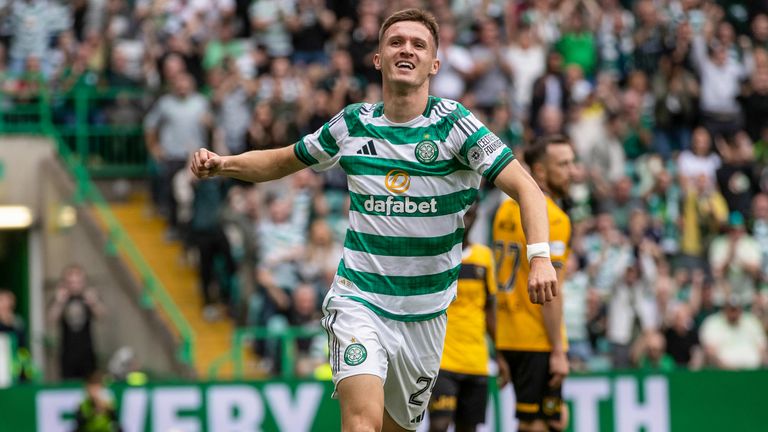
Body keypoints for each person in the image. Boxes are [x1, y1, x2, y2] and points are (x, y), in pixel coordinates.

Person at [191, 8, 558, 432]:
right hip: (359, 299)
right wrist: (224, 163)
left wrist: (540, 257)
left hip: (426, 312)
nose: (407, 49)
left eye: (419, 44)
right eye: (396, 42)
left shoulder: (455, 126)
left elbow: (528, 188)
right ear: (378, 58)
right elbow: (281, 161)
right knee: (362, 424)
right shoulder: (352, 124)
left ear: (434, 64)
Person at [492, 135, 575, 432]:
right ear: (539, 171)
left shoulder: (504, 211)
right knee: (537, 425)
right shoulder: (554, 218)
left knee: (553, 420)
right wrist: (558, 351)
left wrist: (499, 347)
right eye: (563, 164)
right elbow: (551, 292)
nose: (571, 171)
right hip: (537, 338)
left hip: (510, 335)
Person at [427, 203, 501, 432]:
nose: (466, 219)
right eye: (462, 214)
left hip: (476, 361)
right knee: (439, 425)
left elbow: (490, 310)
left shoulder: (484, 257)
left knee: (468, 428)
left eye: (470, 214)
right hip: (442, 360)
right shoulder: (436, 255)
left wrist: (501, 353)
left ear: (477, 216)